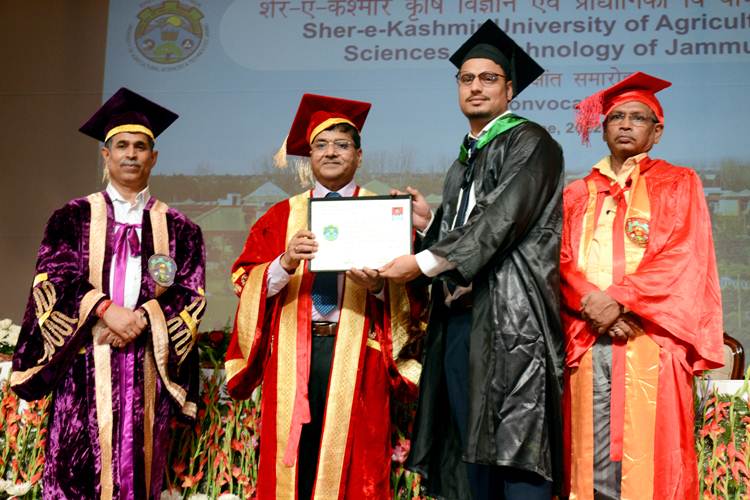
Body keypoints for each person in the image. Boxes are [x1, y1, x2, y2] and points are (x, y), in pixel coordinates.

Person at [380, 20, 565, 500]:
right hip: (461, 323)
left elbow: (501, 219)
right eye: (466, 79)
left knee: (517, 453)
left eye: (488, 78)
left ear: (509, 88)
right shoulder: (464, 158)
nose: (476, 87)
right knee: (471, 454)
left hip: (510, 324)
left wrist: (422, 263)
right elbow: (467, 227)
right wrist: (428, 225)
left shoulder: (530, 142)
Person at [225, 94, 425, 500]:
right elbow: (244, 281)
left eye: (342, 144)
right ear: (309, 156)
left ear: (359, 155)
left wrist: (378, 286)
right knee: (293, 465)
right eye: (321, 144)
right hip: (292, 357)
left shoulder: (383, 213)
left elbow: (415, 292)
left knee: (356, 467)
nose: (331, 152)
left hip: (360, 355)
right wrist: (283, 263)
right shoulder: (280, 216)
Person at [10, 88, 206, 499]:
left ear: (154, 157)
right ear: (105, 155)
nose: (131, 154)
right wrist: (104, 310)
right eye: (121, 145)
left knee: (141, 471)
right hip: (84, 363)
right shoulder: (71, 217)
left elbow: (189, 291)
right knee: (75, 471)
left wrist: (141, 319)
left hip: (146, 366)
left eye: (140, 147)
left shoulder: (181, 228)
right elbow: (54, 278)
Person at [561, 72, 724, 499]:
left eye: (638, 117)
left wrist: (619, 300)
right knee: (588, 452)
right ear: (603, 129)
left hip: (650, 335)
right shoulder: (576, 193)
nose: (626, 125)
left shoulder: (679, 182)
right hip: (588, 334)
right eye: (616, 117)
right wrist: (592, 304)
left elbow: (683, 254)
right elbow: (560, 261)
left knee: (653, 455)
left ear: (657, 130)